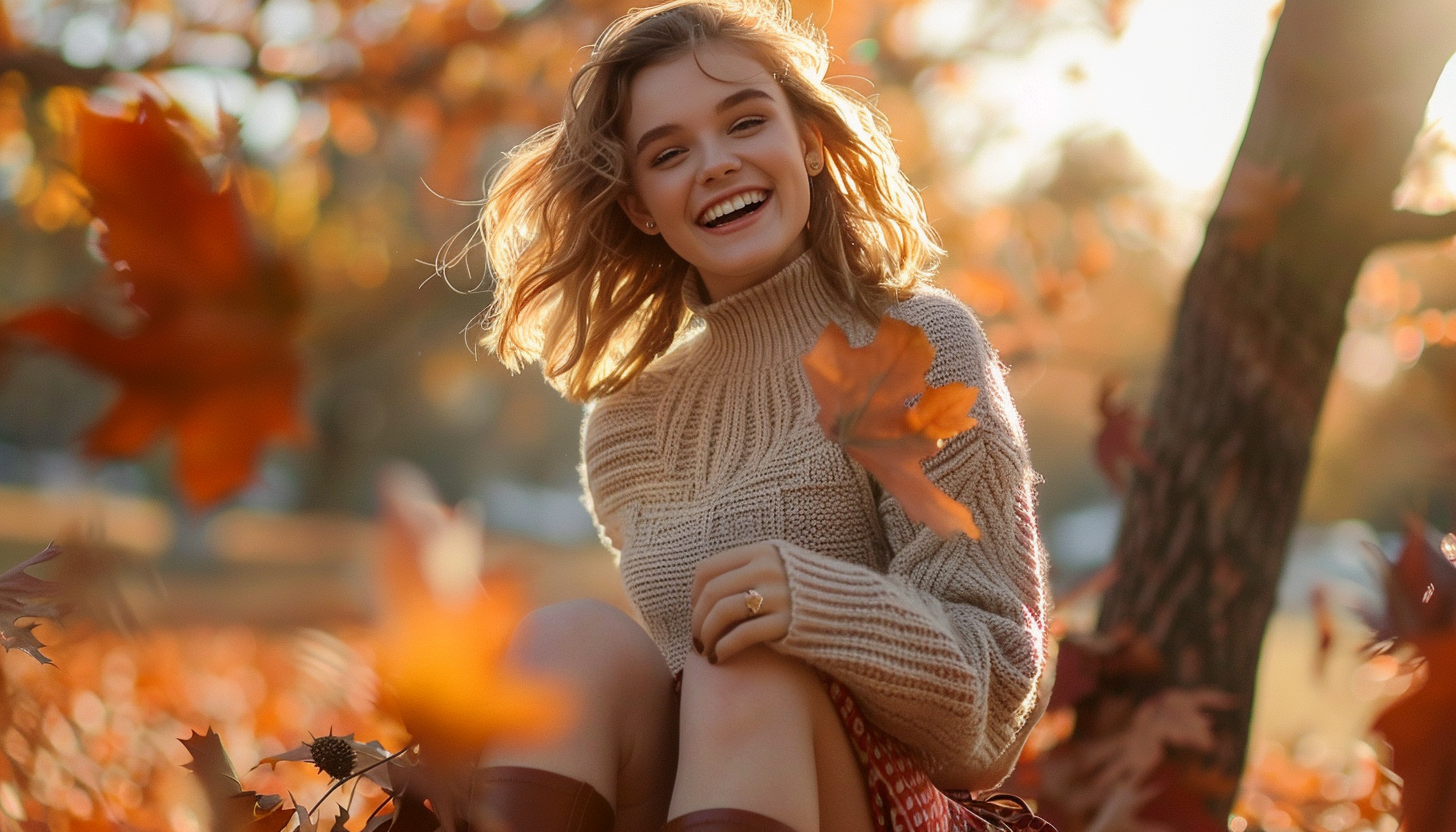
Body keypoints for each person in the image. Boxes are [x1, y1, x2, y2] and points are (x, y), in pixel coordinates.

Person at [464, 1, 1052, 829]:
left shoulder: (914, 343)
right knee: (568, 642)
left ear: (807, 141)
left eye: (746, 123)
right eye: (669, 153)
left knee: (744, 666)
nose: (716, 164)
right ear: (640, 206)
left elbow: (992, 711)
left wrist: (819, 606)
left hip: (891, 806)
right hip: (717, 791)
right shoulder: (628, 422)